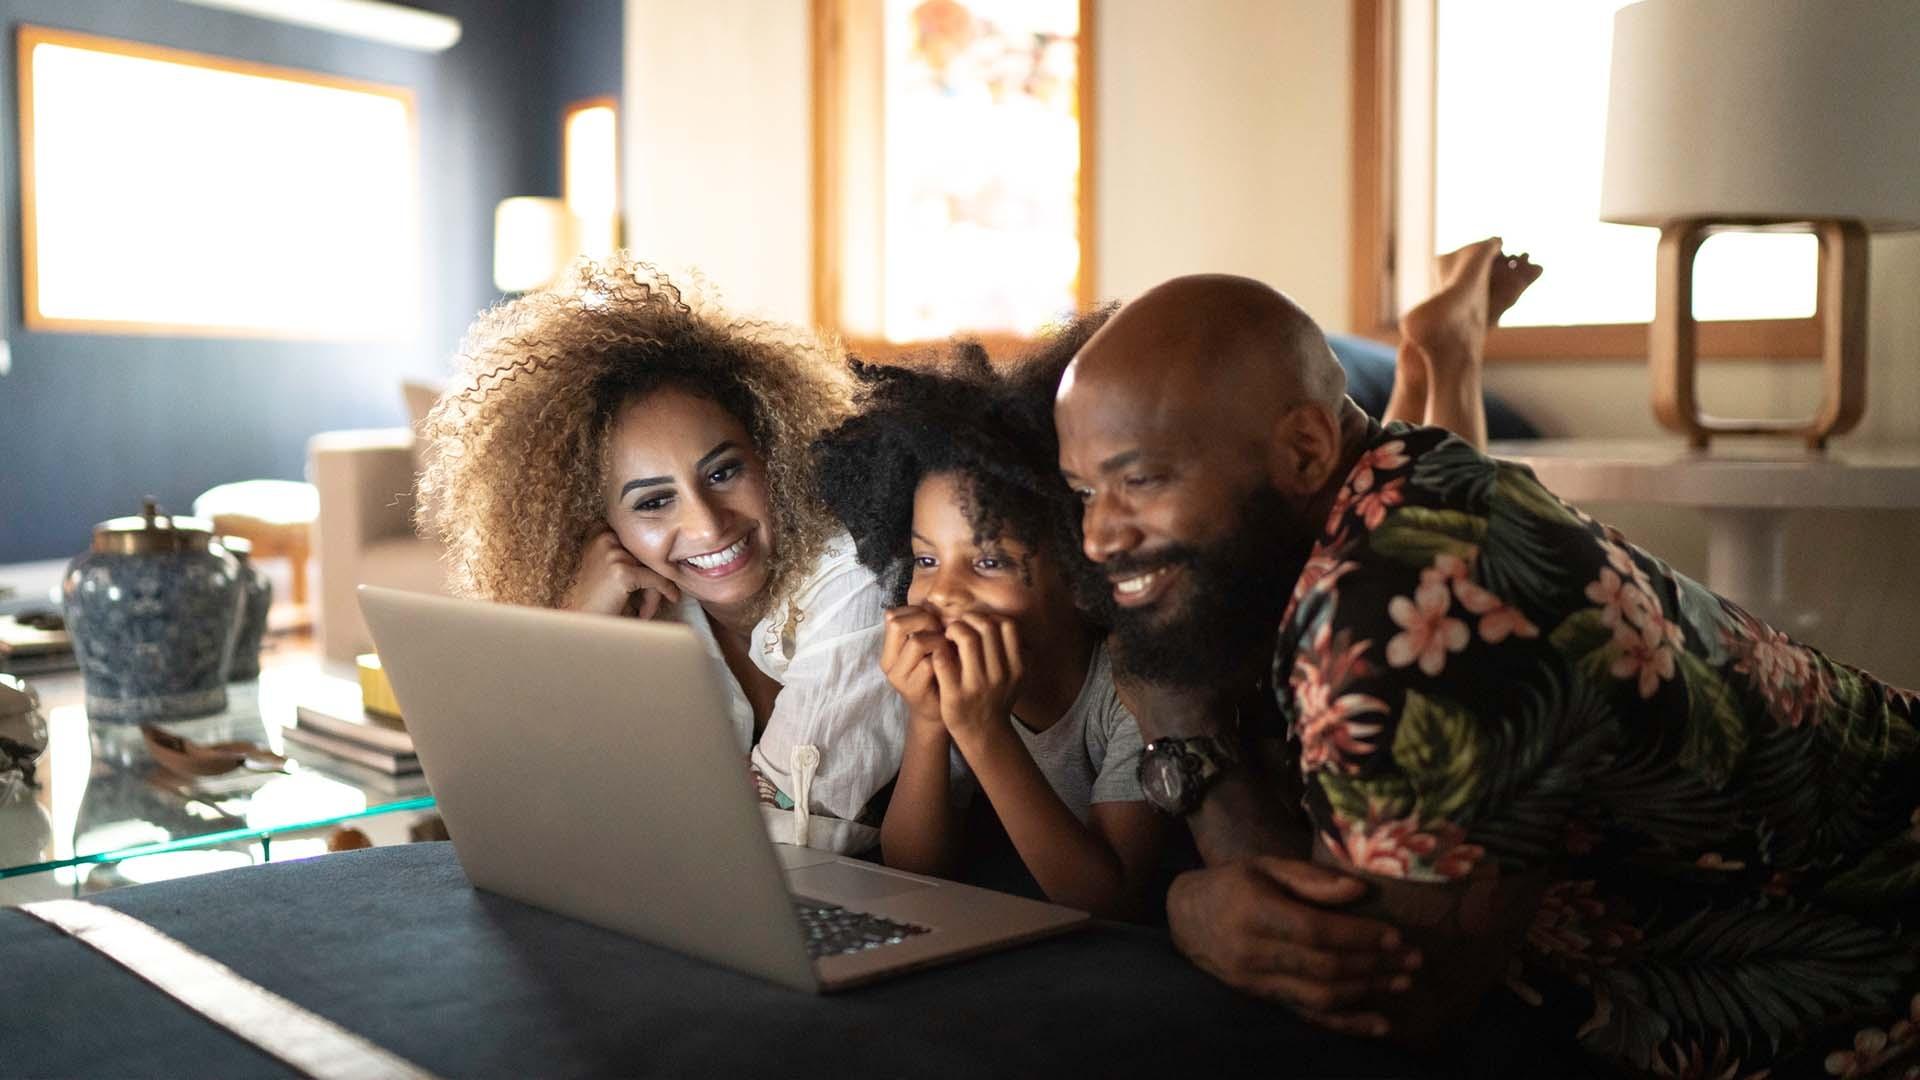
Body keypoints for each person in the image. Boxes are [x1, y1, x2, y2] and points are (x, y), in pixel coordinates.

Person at [1051, 270, 1920, 1075]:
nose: (1099, 538)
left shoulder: (1409, 615)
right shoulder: (1411, 471)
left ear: (1309, 448)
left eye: (1142, 481)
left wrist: (1191, 857)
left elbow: (1380, 993)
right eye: (1086, 491)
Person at [416, 258, 905, 853]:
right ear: (599, 524)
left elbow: (789, 844)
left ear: (771, 453)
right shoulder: (645, 605)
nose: (705, 523)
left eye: (724, 471)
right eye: (653, 502)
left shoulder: (852, 574)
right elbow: (511, 810)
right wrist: (574, 629)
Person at [811, 348, 1168, 919]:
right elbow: (915, 873)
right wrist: (929, 723)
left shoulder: (1132, 686)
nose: (944, 592)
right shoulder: (959, 680)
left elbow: (1112, 898)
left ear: (1081, 570)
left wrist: (982, 731)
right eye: (927, 561)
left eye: (990, 563)